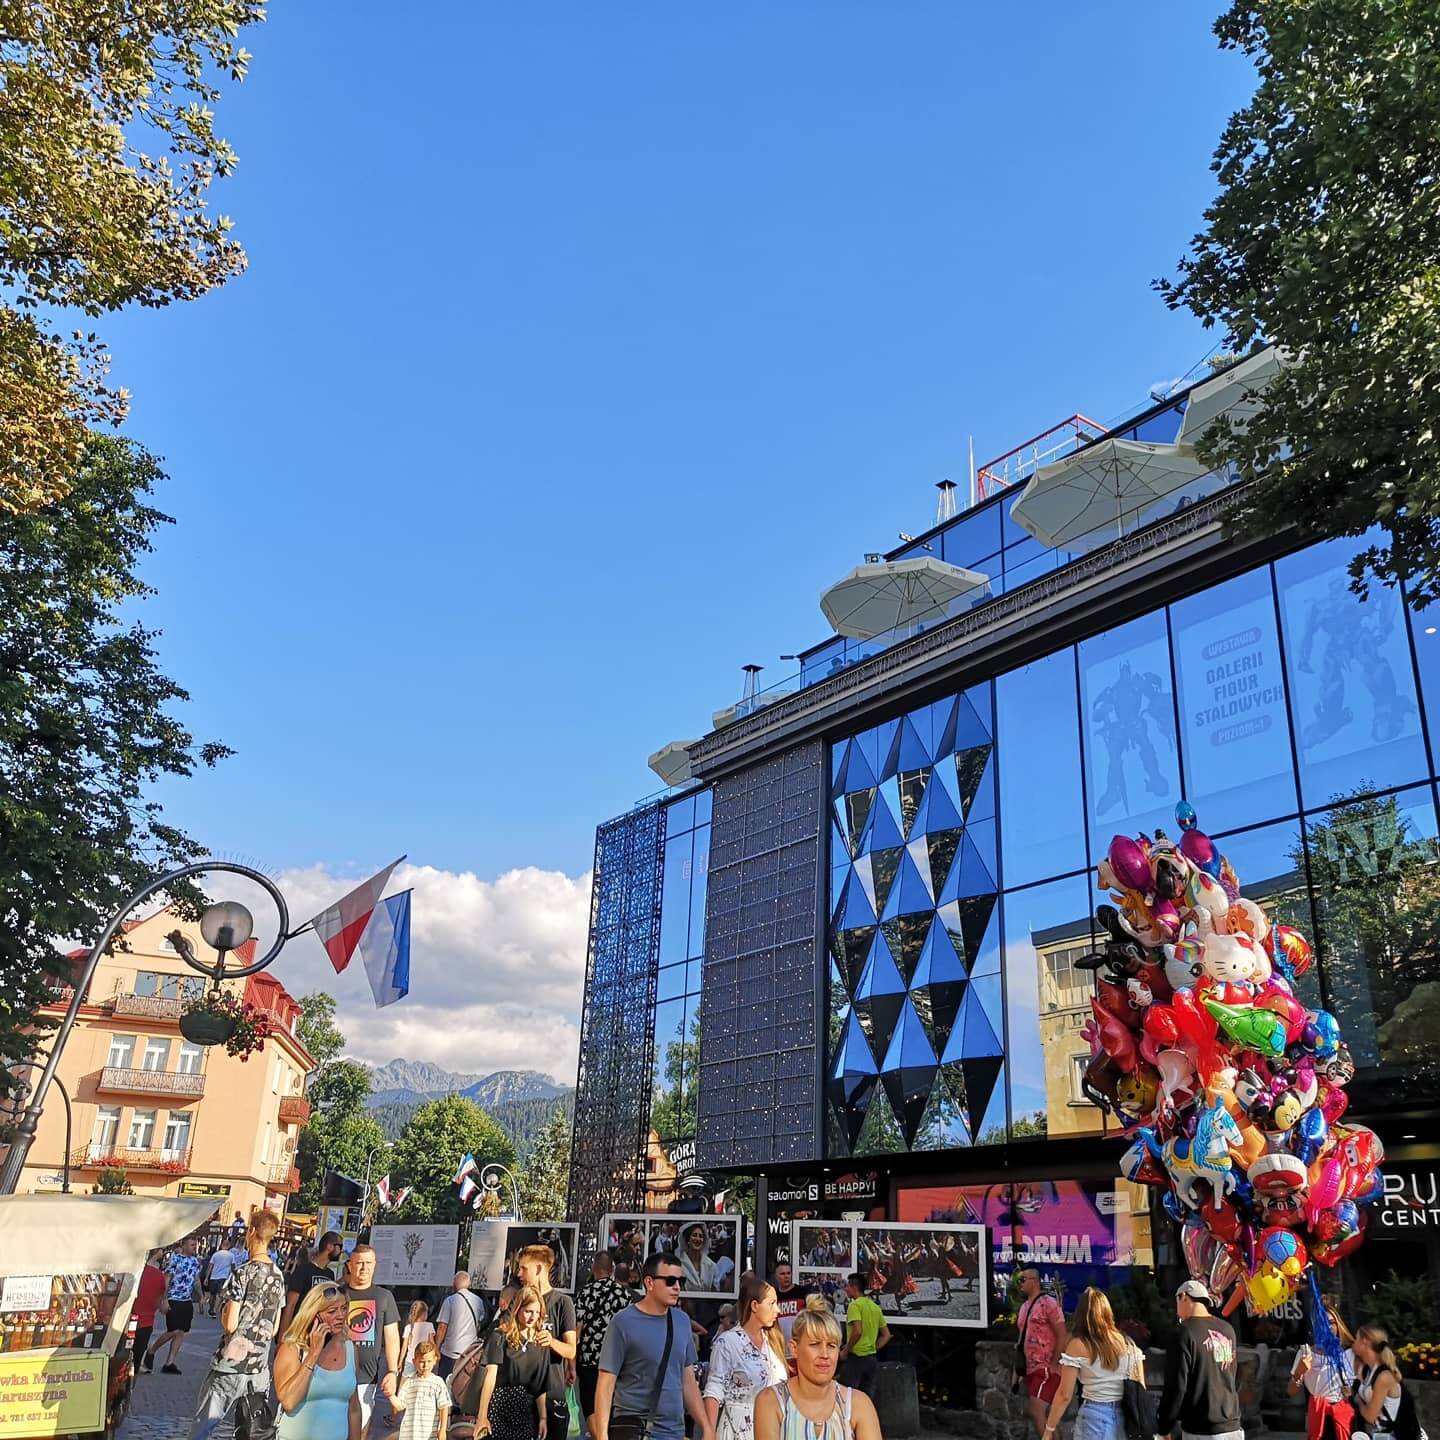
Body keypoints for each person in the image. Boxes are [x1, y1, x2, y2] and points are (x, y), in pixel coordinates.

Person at [189, 1209, 287, 1440]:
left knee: (203, 1427)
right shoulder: (279, 1276)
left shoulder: (242, 1273)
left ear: (252, 1232)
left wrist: (224, 1313)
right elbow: (273, 1328)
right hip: (259, 1368)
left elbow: (231, 1324)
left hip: (231, 1366)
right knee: (252, 1431)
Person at [594, 1252, 713, 1440]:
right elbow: (606, 1382)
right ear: (649, 1283)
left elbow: (688, 1381)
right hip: (634, 1430)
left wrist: (706, 1427)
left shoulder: (682, 1321)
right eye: (670, 1281)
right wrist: (601, 1436)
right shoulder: (622, 1322)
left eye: (680, 1281)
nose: (677, 1287)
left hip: (675, 1431)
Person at [754, 1297, 881, 1440]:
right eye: (814, 1344)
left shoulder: (859, 1404)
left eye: (831, 1346)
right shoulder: (772, 1401)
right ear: (794, 1349)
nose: (825, 1355)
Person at [1041, 1286, 1141, 1440]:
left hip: (1093, 1417)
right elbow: (1140, 1386)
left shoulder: (1078, 1345)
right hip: (1123, 1418)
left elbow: (1064, 1395)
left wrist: (1049, 1429)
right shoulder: (1127, 1343)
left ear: (1081, 1314)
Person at [1155, 1280, 1242, 1440]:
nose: (1177, 1312)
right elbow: (1232, 1375)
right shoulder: (1227, 1330)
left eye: (1177, 1302)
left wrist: (1163, 1428)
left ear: (1184, 1297)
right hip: (1232, 1425)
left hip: (1201, 1429)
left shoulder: (1183, 1333)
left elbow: (1176, 1386)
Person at [275, 1280, 362, 1440]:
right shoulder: (293, 1349)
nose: (340, 1316)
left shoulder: (350, 1349)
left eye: (343, 1309)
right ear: (314, 1315)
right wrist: (313, 1354)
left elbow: (354, 1407)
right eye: (332, 1311)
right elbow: (288, 1401)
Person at [704, 1275, 787, 1440]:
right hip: (739, 1430)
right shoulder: (728, 1343)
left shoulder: (772, 1342)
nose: (778, 1310)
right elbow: (714, 1389)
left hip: (773, 1428)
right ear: (755, 1306)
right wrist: (709, 1433)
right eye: (772, 1303)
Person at [515, 1245, 577, 1440]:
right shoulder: (519, 1300)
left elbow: (571, 1350)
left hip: (552, 1394)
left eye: (524, 1268)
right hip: (519, 1396)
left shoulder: (562, 1303)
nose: (519, 1274)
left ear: (539, 1269)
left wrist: (551, 1341)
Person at [476, 1286, 551, 1440]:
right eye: (529, 1311)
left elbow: (539, 1384)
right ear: (518, 1309)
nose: (533, 1317)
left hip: (526, 1408)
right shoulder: (500, 1336)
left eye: (537, 1312)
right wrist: (482, 1416)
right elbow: (490, 1378)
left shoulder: (540, 1342)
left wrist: (543, 1418)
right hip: (500, 1404)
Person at [344, 1243, 402, 1433]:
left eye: (368, 1263)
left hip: (366, 1380)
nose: (364, 1268)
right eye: (359, 1263)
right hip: (335, 1375)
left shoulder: (384, 1296)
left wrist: (393, 1372)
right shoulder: (337, 1294)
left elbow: (392, 1337)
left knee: (359, 1432)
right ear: (350, 1265)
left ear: (375, 1265)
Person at [576, 1254, 633, 1436]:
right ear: (612, 1270)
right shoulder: (623, 1294)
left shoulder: (585, 1292)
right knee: (611, 1402)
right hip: (616, 1360)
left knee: (590, 1403)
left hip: (589, 1359)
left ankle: (598, 1436)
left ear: (594, 1268)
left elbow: (577, 1329)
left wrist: (571, 1360)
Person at [1289, 1301, 1356, 1440]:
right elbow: (1291, 1391)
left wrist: (1352, 1393)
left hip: (1345, 1417)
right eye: (1322, 1323)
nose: (1328, 1327)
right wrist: (1299, 1372)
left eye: (1331, 1322)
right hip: (1319, 1417)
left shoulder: (1351, 1352)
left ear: (1338, 1324)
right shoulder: (1306, 1353)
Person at [1014, 1268, 1067, 1440]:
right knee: (1043, 1417)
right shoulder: (1023, 1308)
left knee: (1036, 1411)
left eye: (1023, 1279)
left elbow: (1062, 1334)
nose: (1019, 1283)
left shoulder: (1049, 1303)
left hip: (1045, 1368)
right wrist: (1017, 1371)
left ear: (1034, 1281)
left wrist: (1054, 1364)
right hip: (1030, 1369)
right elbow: (1021, 1340)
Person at [146, 1234, 203, 1374]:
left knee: (181, 1332)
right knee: (173, 1330)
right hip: (174, 1298)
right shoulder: (176, 1259)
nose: (194, 1247)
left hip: (186, 1300)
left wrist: (201, 1295)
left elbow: (195, 1280)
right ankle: (152, 1350)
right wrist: (164, 1299)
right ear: (183, 1246)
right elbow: (166, 1279)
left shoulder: (195, 1261)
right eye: (192, 1244)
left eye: (196, 1245)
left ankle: (170, 1362)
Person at [281, 1232, 345, 1341]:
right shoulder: (303, 1270)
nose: (341, 1251)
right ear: (330, 1246)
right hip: (300, 1333)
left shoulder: (330, 1274)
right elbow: (290, 1306)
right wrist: (282, 1338)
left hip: (320, 1335)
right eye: (340, 1246)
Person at [839, 1274, 889, 1398]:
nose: (845, 1290)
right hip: (872, 1360)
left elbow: (857, 1331)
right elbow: (886, 1335)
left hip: (856, 1359)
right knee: (867, 1400)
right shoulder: (875, 1307)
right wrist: (873, 1348)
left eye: (847, 1286)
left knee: (847, 1399)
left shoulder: (854, 1306)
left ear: (854, 1287)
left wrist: (846, 1350)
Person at [1352, 1324, 1404, 1440]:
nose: (1353, 1342)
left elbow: (1370, 1416)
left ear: (1364, 1342)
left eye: (1356, 1338)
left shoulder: (1384, 1377)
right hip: (1378, 1434)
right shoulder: (1370, 1370)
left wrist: (1358, 1400)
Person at [391, 1340, 451, 1440]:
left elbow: (444, 1407)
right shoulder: (409, 1383)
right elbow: (400, 1405)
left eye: (429, 1361)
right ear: (414, 1361)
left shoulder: (438, 1383)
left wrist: (442, 1429)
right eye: (422, 1362)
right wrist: (391, 1395)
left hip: (429, 1435)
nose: (425, 1365)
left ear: (435, 1360)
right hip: (409, 1435)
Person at [436, 1273, 486, 1380]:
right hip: (469, 1352)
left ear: (455, 1282)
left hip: (450, 1352)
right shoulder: (479, 1301)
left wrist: (437, 1347)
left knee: (445, 1383)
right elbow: (480, 1323)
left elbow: (442, 1327)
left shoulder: (449, 1300)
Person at [132, 1251, 168, 1376]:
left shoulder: (128, 1273)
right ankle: (129, 1391)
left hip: (122, 1323)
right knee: (134, 1367)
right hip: (145, 1324)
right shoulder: (158, 1276)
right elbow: (161, 1305)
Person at [770, 1265, 814, 1353]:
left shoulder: (802, 1292)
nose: (786, 1276)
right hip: (780, 1348)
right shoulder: (772, 1295)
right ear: (776, 1276)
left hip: (800, 1347)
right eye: (782, 1274)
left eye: (788, 1273)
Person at [403, 1302, 438, 1378]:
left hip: (410, 1359)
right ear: (424, 1313)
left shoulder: (408, 1327)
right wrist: (436, 1354)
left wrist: (399, 1362)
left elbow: (404, 1348)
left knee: (405, 1382)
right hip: (424, 1359)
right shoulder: (429, 1326)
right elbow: (432, 1343)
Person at [681, 1225, 718, 1292]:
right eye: (694, 1235)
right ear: (688, 1240)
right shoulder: (679, 1264)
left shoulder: (711, 1265)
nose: (698, 1239)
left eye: (700, 1236)